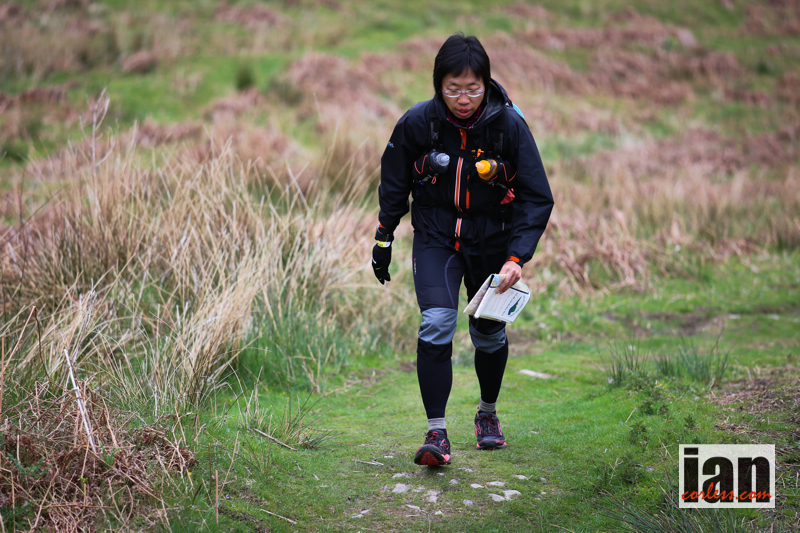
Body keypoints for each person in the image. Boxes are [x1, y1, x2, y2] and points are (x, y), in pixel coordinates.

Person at [371, 33, 553, 466]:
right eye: (453, 89)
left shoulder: (509, 126)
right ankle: (436, 432)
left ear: (486, 83)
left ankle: (487, 414)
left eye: (473, 88)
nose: (464, 99)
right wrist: (383, 237)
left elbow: (537, 196)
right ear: (439, 85)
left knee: (488, 333)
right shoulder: (418, 123)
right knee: (436, 322)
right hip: (436, 238)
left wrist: (517, 257)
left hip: (494, 242)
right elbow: (394, 182)